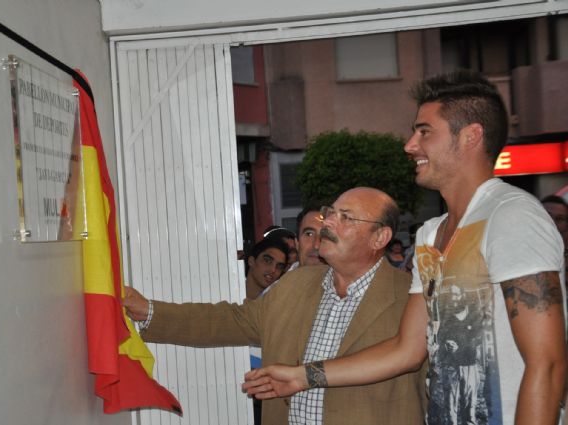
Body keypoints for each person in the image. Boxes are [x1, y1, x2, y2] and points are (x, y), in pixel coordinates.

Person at [243, 70, 567, 425]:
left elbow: (548, 363)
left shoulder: (512, 215)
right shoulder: (430, 234)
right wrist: (303, 376)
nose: (410, 145)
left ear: (471, 136)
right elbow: (406, 350)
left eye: (425, 132)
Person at [123, 187, 426, 425]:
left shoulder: (412, 298)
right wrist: (149, 311)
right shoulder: (295, 285)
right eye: (330, 213)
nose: (328, 223)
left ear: (380, 237)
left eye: (346, 217)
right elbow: (230, 320)